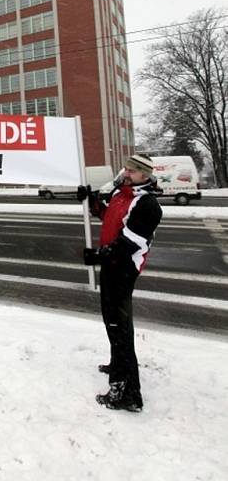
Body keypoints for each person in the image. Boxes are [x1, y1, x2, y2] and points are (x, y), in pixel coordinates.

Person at [78, 153, 162, 412]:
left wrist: (99, 255)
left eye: (133, 170)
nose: (126, 172)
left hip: (123, 268)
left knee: (119, 327)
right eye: (126, 168)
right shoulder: (121, 193)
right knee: (112, 321)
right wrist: (91, 201)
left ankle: (127, 394)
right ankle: (118, 365)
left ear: (145, 175)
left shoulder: (147, 205)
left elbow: (129, 243)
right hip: (111, 265)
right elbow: (109, 218)